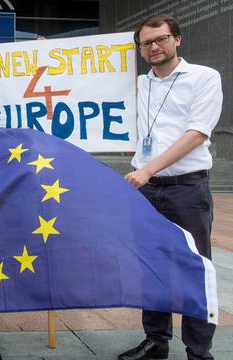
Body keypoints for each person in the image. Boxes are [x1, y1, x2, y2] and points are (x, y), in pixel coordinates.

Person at [121, 14, 222, 360]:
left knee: (194, 267)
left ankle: (198, 350)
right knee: (151, 265)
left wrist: (147, 169)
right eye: (146, 43)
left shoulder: (204, 78)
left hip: (186, 189)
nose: (154, 47)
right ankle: (156, 340)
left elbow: (197, 134)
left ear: (177, 39)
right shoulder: (136, 83)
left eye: (161, 39)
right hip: (147, 190)